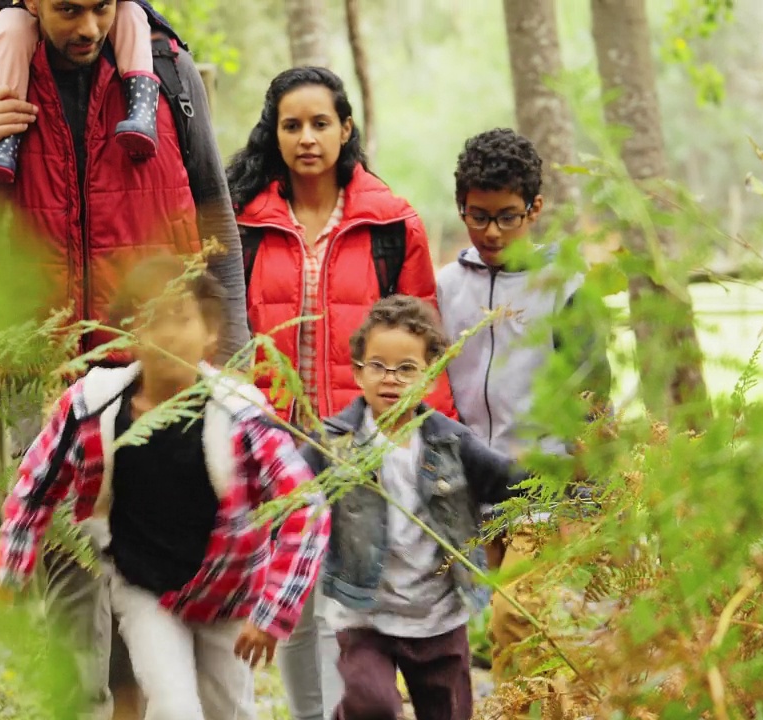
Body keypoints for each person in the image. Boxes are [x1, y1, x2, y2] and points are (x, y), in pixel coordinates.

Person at [0, 1, 251, 717]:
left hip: (157, 353)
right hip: (38, 361)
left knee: (154, 541)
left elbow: (213, 210)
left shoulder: (168, 73)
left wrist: (229, 352)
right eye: (67, 9)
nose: (86, 26)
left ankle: (144, 704)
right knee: (69, 550)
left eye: (101, 7)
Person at [0, 255, 329, 720]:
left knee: (226, 711)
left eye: (181, 318)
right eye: (151, 319)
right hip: (143, 587)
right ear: (131, 335)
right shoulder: (95, 406)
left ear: (210, 333)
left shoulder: (241, 416)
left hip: (226, 590)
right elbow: (36, 484)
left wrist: (275, 611)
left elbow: (306, 509)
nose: (166, 334)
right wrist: (12, 565)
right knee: (173, 708)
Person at [225, 65, 458, 720]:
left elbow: (424, 346)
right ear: (274, 134)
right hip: (273, 447)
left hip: (362, 443)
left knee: (351, 602)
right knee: (293, 601)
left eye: (320, 123)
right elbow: (223, 335)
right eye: (291, 125)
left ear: (345, 128)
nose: (306, 138)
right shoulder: (243, 223)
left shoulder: (391, 224)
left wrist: (434, 454)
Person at [435, 128, 611, 681]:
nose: (491, 231)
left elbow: (593, 397)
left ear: (535, 209)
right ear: (460, 207)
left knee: (516, 617)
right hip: (473, 484)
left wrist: (586, 500)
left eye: (507, 216)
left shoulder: (565, 288)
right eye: (477, 215)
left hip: (544, 485)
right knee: (507, 627)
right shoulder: (445, 288)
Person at [300, 295, 524, 720]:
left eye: (407, 369)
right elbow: (288, 485)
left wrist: (569, 484)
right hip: (364, 615)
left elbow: (506, 479)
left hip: (437, 614)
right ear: (358, 372)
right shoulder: (334, 443)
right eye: (378, 366)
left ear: (430, 376)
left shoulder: (449, 441)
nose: (392, 379)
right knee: (374, 706)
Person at [0, 0, 171, 183]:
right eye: (69, 9)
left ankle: (142, 106)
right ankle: (6, 136)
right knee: (12, 27)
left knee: (132, 14)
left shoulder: (173, 71)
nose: (89, 30)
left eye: (101, 6)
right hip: (20, 13)